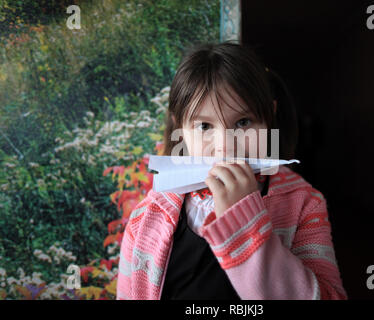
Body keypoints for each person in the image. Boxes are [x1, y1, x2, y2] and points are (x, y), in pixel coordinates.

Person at [116, 41, 347, 300]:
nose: (225, 147)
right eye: (204, 126)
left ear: (269, 118)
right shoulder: (146, 217)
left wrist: (245, 219)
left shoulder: (304, 205)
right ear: (180, 127)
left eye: (243, 122)